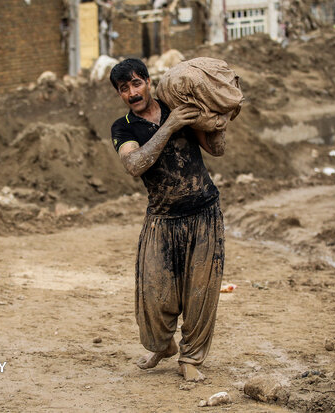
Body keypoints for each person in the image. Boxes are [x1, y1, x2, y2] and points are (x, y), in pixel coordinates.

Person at [109, 58, 226, 382]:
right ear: (120, 94)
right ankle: (163, 346)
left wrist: (218, 117)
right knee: (154, 295)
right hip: (161, 219)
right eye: (124, 89)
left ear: (148, 81)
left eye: (136, 83)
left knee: (200, 294)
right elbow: (135, 164)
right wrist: (170, 126)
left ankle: (190, 359)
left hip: (204, 213)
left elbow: (217, 149)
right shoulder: (124, 127)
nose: (132, 92)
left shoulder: (178, 107)